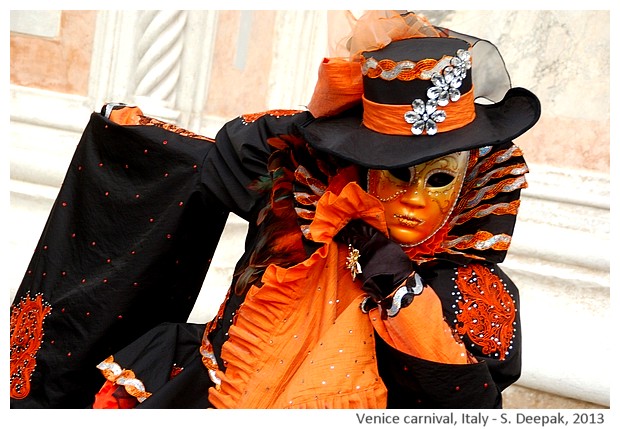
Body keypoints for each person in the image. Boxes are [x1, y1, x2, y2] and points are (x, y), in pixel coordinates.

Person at [9, 11, 540, 409]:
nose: (417, 198)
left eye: (440, 177)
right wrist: (326, 116)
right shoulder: (299, 210)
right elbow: (233, 147)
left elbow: (469, 406)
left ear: (474, 181)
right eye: (395, 170)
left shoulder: (473, 290)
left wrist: (400, 291)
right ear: (359, 165)